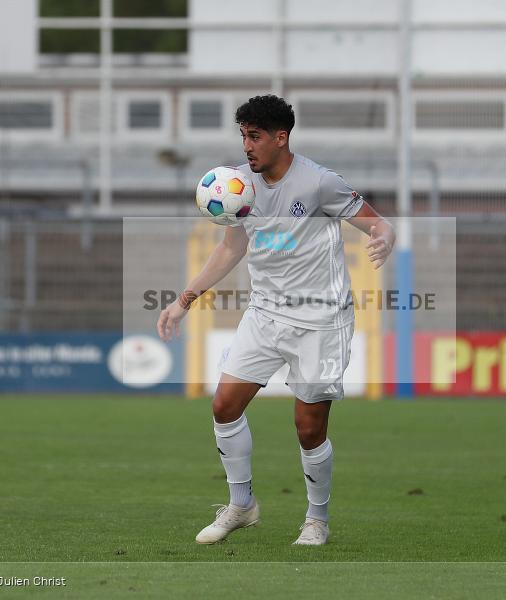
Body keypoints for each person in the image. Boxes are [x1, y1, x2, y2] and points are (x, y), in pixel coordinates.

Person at [157, 95, 395, 546]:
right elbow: (231, 249)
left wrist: (385, 238)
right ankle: (241, 505)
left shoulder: (320, 183)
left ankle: (317, 519)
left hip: (321, 319)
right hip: (265, 313)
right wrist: (184, 299)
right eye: (243, 136)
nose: (246, 146)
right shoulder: (237, 185)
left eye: (255, 136)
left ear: (280, 137)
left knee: (308, 429)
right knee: (224, 405)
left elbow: (379, 224)